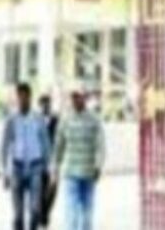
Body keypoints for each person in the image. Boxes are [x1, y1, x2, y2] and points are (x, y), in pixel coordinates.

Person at [52, 85, 105, 230]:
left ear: (85, 98)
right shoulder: (65, 120)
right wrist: (55, 167)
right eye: (73, 97)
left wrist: (98, 165)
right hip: (71, 173)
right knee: (71, 214)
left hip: (88, 173)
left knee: (87, 213)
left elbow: (100, 145)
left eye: (78, 96)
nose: (75, 100)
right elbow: (58, 145)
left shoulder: (94, 120)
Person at [1, 83, 52, 230]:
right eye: (20, 97)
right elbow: (4, 145)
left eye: (25, 96)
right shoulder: (11, 119)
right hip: (17, 168)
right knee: (18, 215)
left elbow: (45, 143)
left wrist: (48, 168)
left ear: (30, 97)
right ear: (17, 98)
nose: (22, 100)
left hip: (36, 167)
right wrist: (5, 171)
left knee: (35, 210)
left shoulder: (38, 118)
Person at [36, 94, 60, 229]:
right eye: (43, 104)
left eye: (47, 103)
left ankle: (45, 212)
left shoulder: (57, 120)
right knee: (39, 189)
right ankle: (43, 217)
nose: (45, 106)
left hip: (53, 159)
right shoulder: (35, 120)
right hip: (38, 160)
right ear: (39, 105)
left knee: (53, 188)